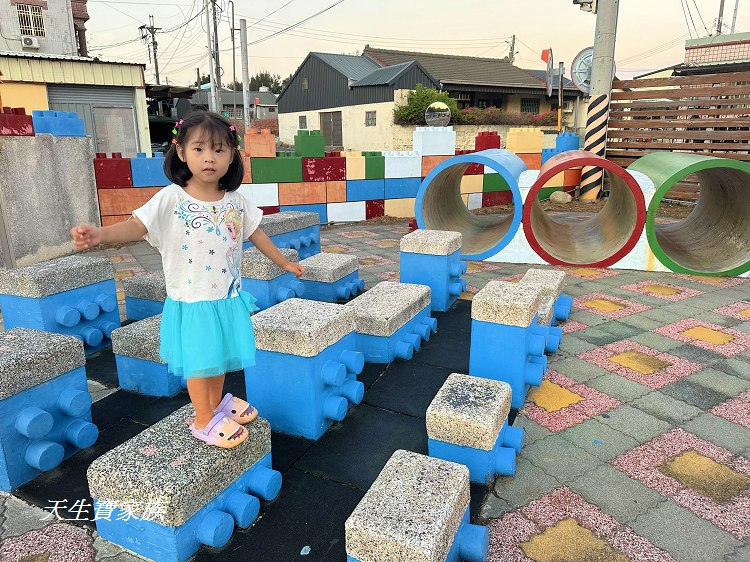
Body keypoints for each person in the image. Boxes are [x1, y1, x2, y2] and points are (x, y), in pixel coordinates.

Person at [71, 111, 304, 448]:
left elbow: (256, 234)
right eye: (199, 149)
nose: (210, 157)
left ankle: (216, 402)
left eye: (220, 150)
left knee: (220, 356)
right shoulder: (172, 198)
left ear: (232, 156)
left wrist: (284, 262)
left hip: (226, 297)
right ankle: (202, 418)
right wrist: (100, 234)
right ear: (181, 151)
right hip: (193, 301)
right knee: (200, 361)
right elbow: (137, 226)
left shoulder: (236, 201)